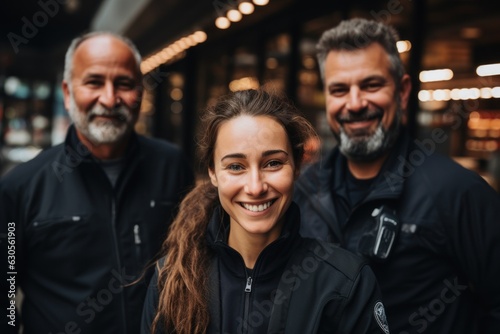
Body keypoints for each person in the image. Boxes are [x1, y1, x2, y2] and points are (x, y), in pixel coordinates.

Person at [294, 17, 500, 334]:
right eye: (339, 89)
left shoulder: (456, 192)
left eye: (371, 85)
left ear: (402, 92)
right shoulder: (303, 188)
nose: (355, 103)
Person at [141, 89, 390, 334]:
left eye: (273, 163)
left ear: (297, 166)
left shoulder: (345, 282)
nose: (255, 187)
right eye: (236, 166)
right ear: (212, 173)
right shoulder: (171, 278)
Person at [0, 32, 194, 334]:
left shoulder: (172, 166)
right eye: (94, 82)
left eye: (124, 84)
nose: (109, 98)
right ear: (67, 92)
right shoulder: (20, 187)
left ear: (140, 93)